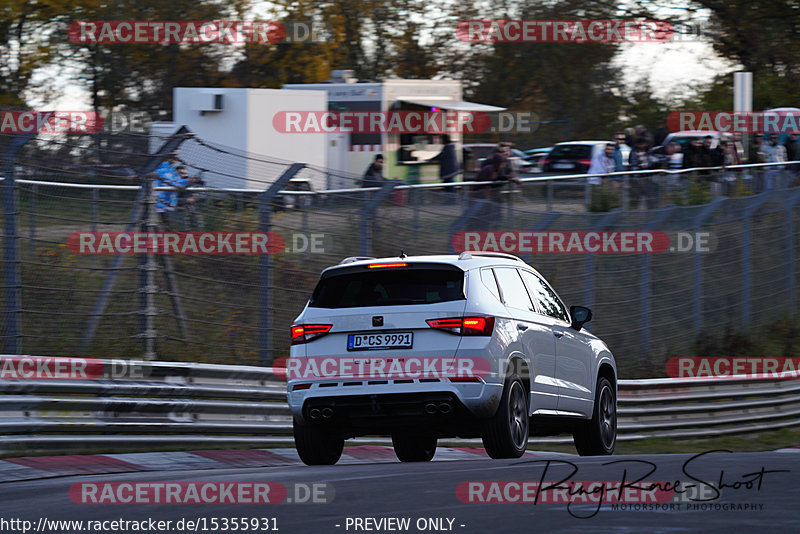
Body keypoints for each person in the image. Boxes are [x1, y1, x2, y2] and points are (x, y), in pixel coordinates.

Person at [427, 134, 460, 203]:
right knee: (448, 185)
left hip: (449, 170)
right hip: (452, 169)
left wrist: (430, 159)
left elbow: (441, 155)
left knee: (449, 185)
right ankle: (450, 200)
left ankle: (452, 200)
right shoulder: (451, 146)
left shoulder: (447, 147)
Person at [628, 137, 658, 209]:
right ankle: (634, 211)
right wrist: (640, 167)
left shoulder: (648, 151)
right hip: (637, 178)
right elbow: (632, 163)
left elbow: (652, 161)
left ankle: (651, 210)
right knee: (636, 197)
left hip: (648, 178)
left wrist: (649, 165)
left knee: (650, 196)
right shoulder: (633, 152)